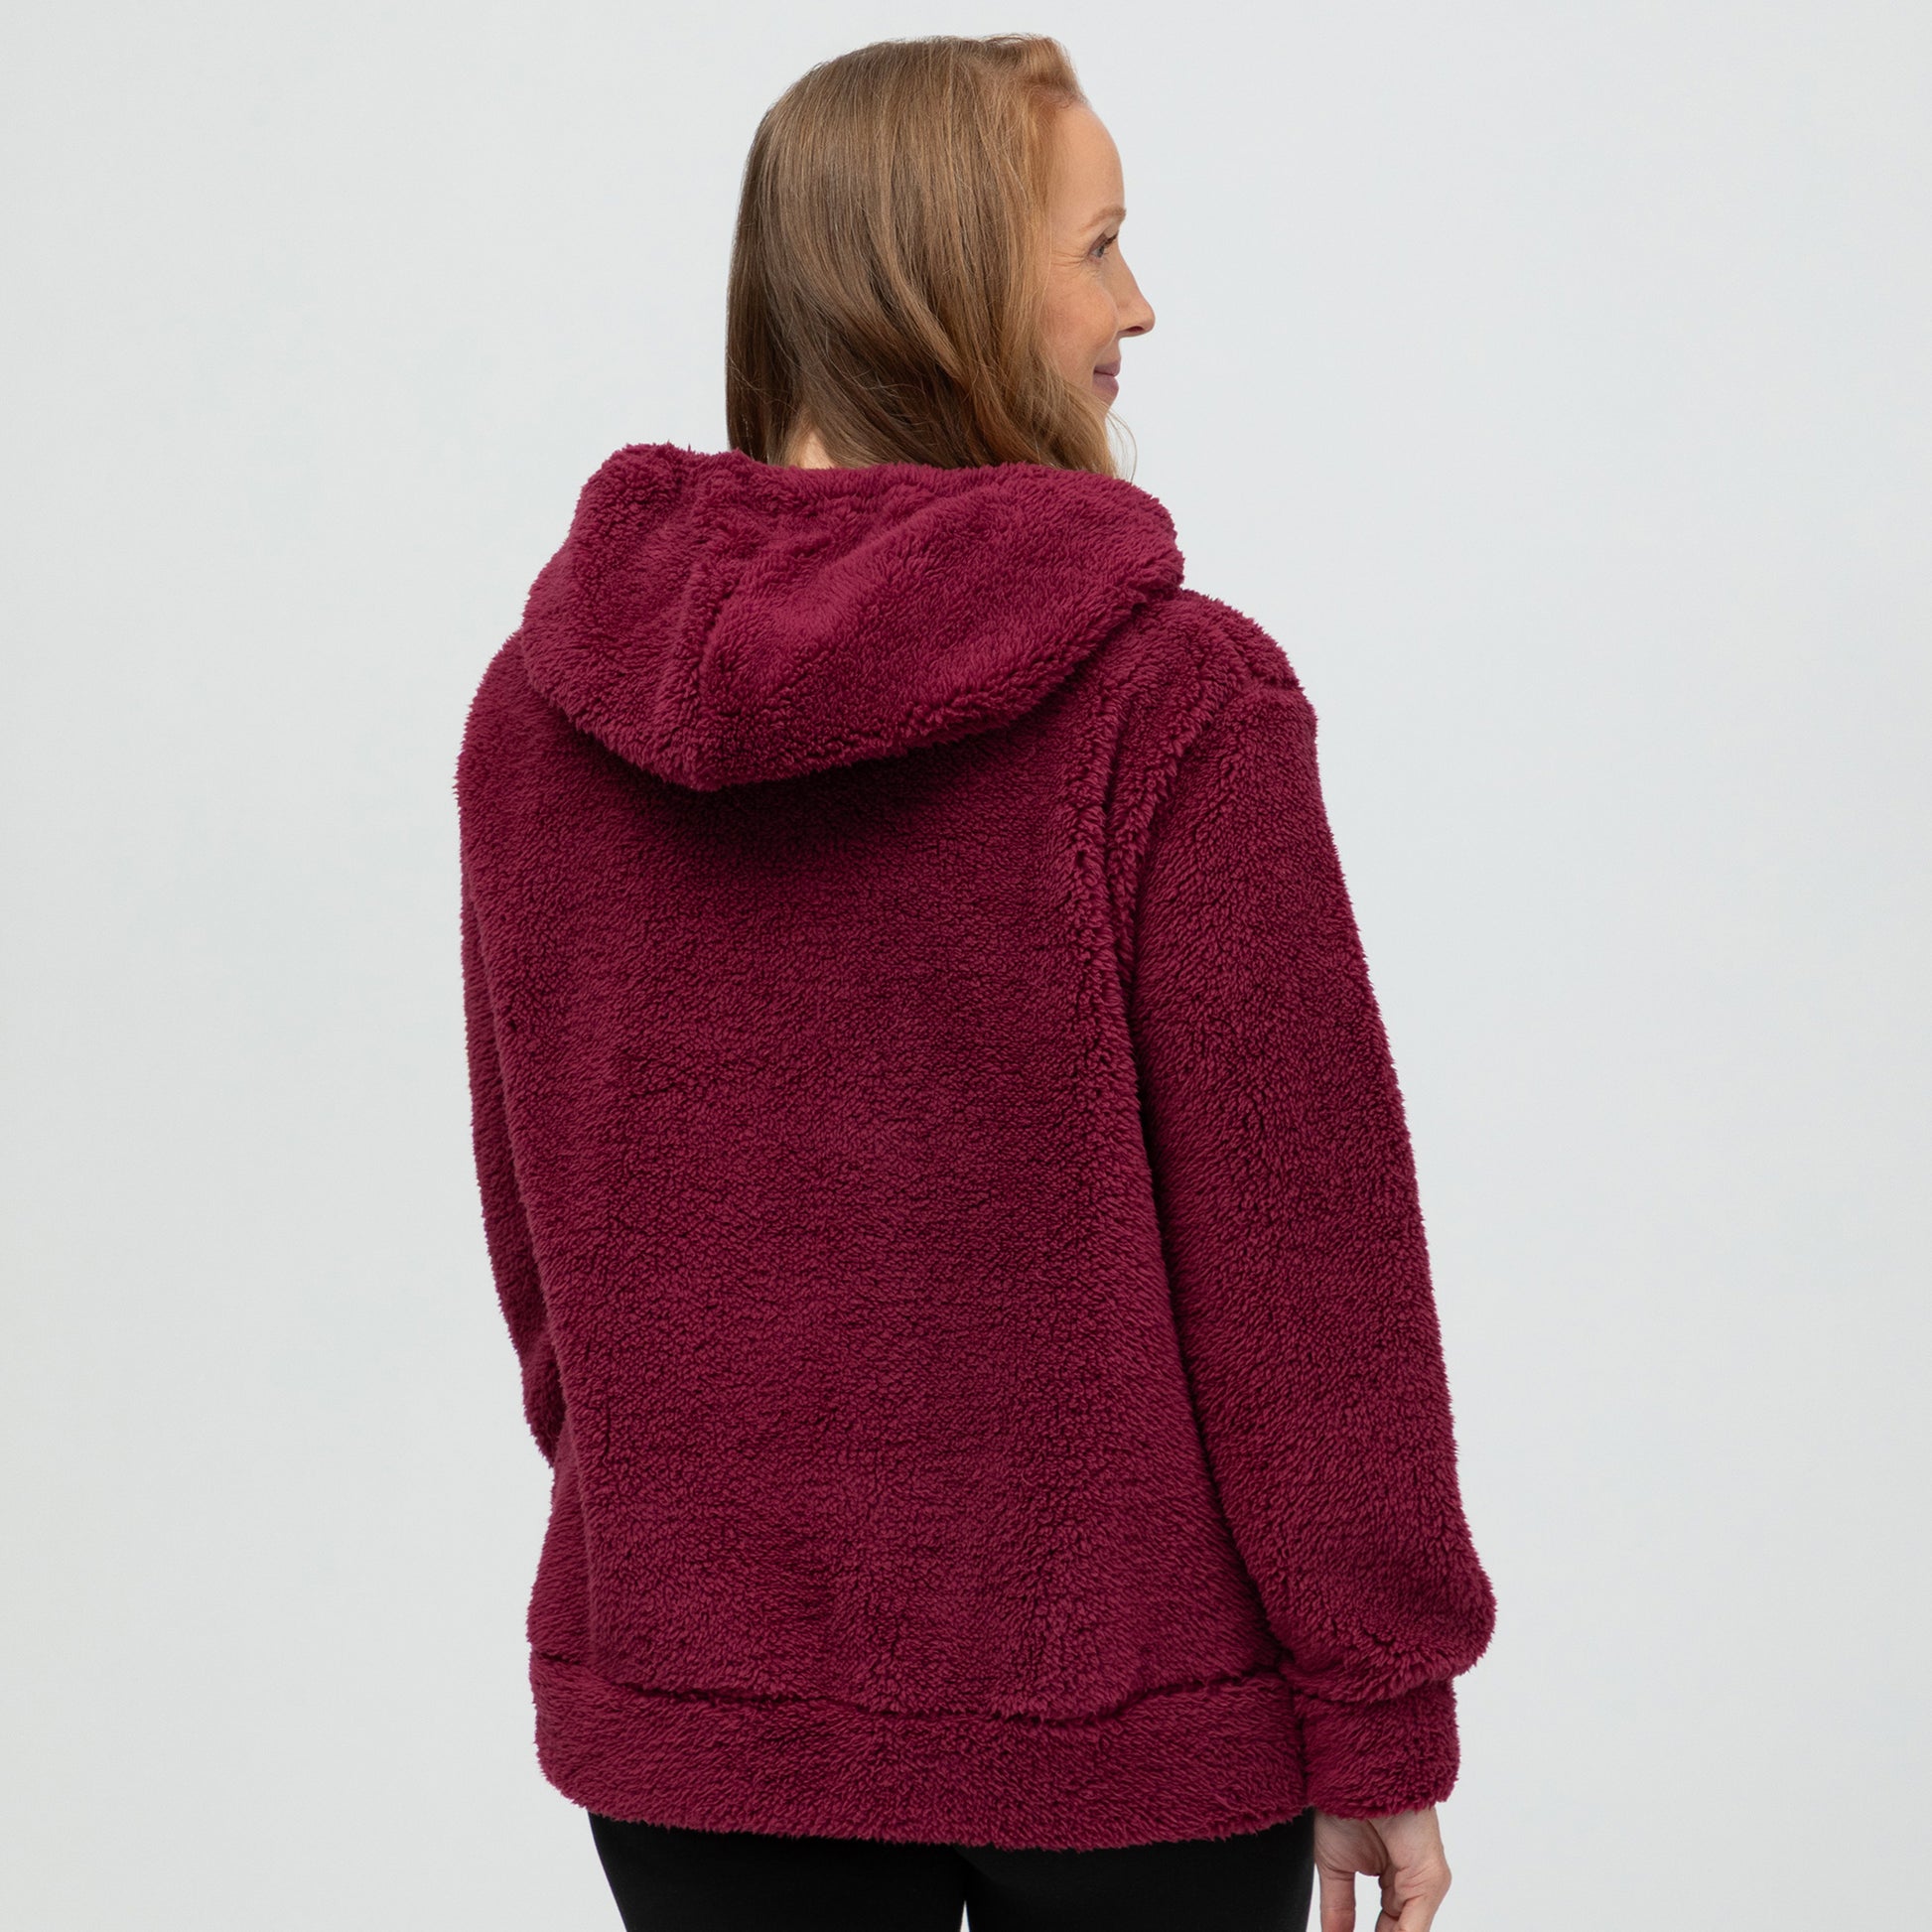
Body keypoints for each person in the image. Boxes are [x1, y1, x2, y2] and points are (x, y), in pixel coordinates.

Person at [455, 32, 1498, 1932]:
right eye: (1095, 246)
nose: (1137, 306)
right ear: (939, 277)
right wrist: (1376, 1706)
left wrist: (682, 1557)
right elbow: (1301, 1269)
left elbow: (546, 1244)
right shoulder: (1169, 696)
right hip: (1125, 1734)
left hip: (701, 1715)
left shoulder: (543, 711)